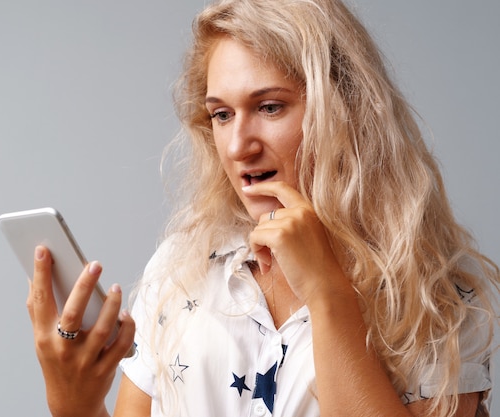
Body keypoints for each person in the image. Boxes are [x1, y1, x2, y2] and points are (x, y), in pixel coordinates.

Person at [26, 0, 499, 416]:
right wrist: (76, 406)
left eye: (270, 107)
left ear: (344, 108)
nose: (237, 146)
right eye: (222, 114)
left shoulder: (432, 293)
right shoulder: (180, 269)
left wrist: (329, 294)